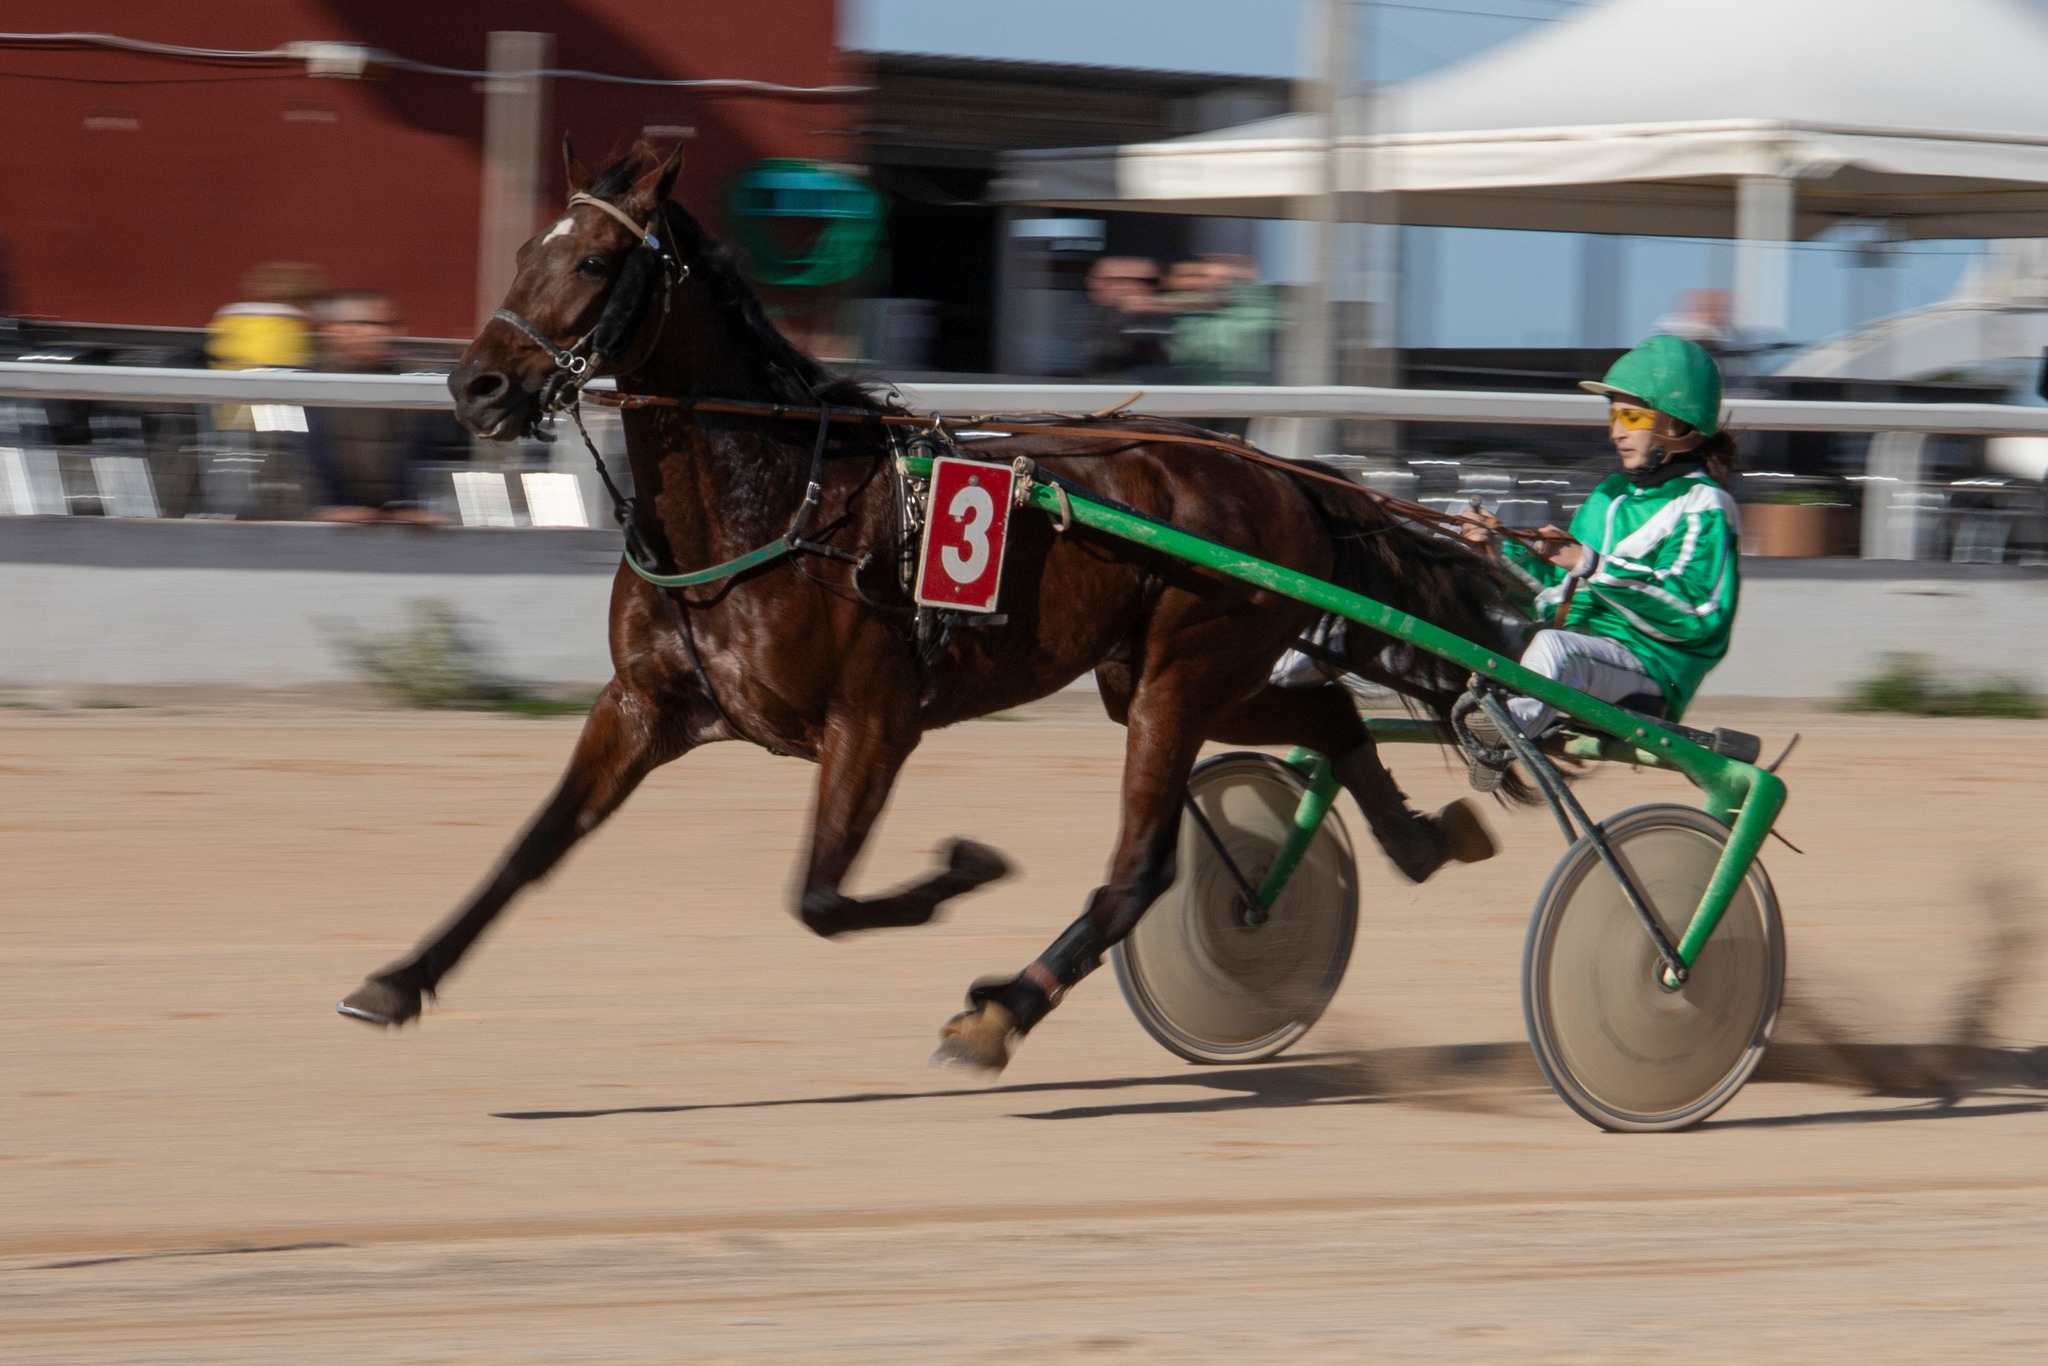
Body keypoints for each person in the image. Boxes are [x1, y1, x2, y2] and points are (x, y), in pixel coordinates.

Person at [1460, 334, 1741, 753]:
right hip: (1581, 652)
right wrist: (1499, 549)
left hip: (1648, 671)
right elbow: (1555, 595)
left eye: (1630, 418)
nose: (1615, 433)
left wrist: (1592, 564)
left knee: (1557, 648)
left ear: (1676, 423)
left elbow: (1697, 613)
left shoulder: (1706, 505)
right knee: (1468, 624)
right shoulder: (1608, 494)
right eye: (1613, 418)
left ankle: (1500, 735)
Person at [302, 289, 443, 523]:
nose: (387, 333)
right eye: (372, 323)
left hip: (401, 530)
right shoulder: (303, 385)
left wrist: (410, 509)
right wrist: (317, 511)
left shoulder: (413, 383)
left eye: (393, 324)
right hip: (321, 529)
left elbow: (427, 462)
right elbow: (287, 463)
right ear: (333, 329)